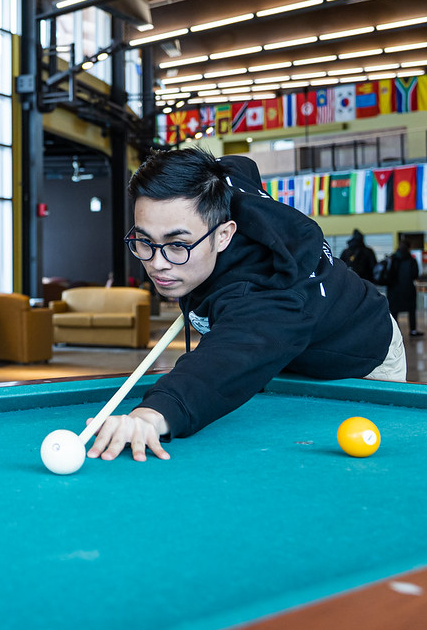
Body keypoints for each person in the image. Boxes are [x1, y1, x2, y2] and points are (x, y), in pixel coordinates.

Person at [86, 148, 402, 462]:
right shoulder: (218, 182)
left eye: (178, 244)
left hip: (362, 354)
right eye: (145, 241)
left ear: (224, 235)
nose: (157, 264)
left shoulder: (270, 296)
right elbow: (240, 165)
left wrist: (152, 415)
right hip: (285, 351)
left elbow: (227, 358)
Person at [385, 245, 423, 338]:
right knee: (411, 311)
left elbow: (387, 274)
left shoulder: (392, 259)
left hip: (393, 289)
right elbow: (415, 274)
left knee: (394, 311)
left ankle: (394, 331)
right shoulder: (411, 260)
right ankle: (413, 330)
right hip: (408, 289)